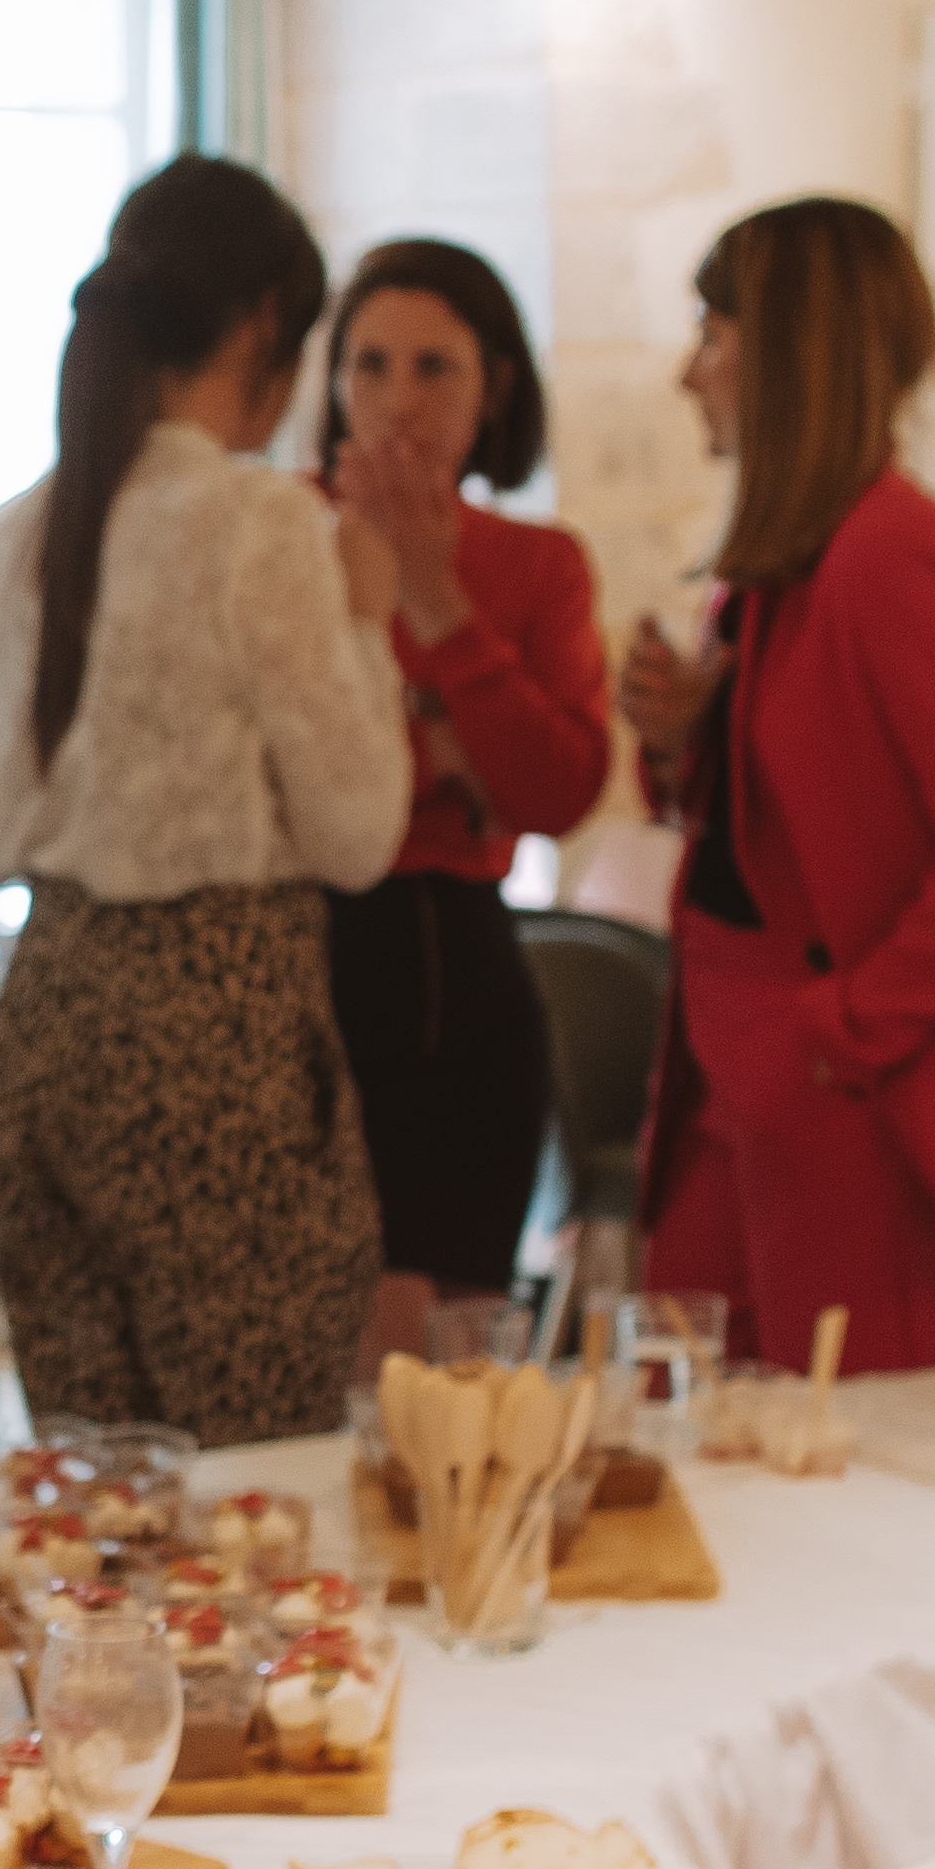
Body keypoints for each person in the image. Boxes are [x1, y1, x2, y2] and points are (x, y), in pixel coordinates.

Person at [0, 154, 413, 1443]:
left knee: (95, 1502)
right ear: (267, 324)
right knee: (253, 1489)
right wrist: (370, 623)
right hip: (217, 1033)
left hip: (48, 1018)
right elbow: (359, 832)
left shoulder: (13, 536)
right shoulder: (254, 523)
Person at [620, 198, 935, 1376]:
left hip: (848, 1109)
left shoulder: (897, 557)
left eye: (713, 335)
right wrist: (677, 741)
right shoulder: (785, 566)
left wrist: (840, 1030)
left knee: (856, 1489)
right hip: (744, 1089)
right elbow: (772, 834)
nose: (689, 373)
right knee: (704, 1457)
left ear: (786, 355)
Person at [311, 239, 613, 1314]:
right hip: (304, 962)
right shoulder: (277, 534)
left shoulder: (537, 565)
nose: (397, 399)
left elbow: (556, 791)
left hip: (462, 969)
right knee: (317, 1351)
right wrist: (444, 744)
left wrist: (436, 602)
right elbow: (270, 773)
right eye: (369, 365)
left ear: (493, 389)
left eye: (434, 367)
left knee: (453, 1363)